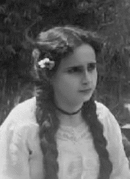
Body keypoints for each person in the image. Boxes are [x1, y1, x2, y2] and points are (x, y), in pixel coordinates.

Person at [0, 25, 130, 179]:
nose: (87, 79)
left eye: (91, 67)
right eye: (74, 70)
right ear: (49, 75)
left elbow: (120, 175)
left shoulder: (103, 118)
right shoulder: (22, 125)